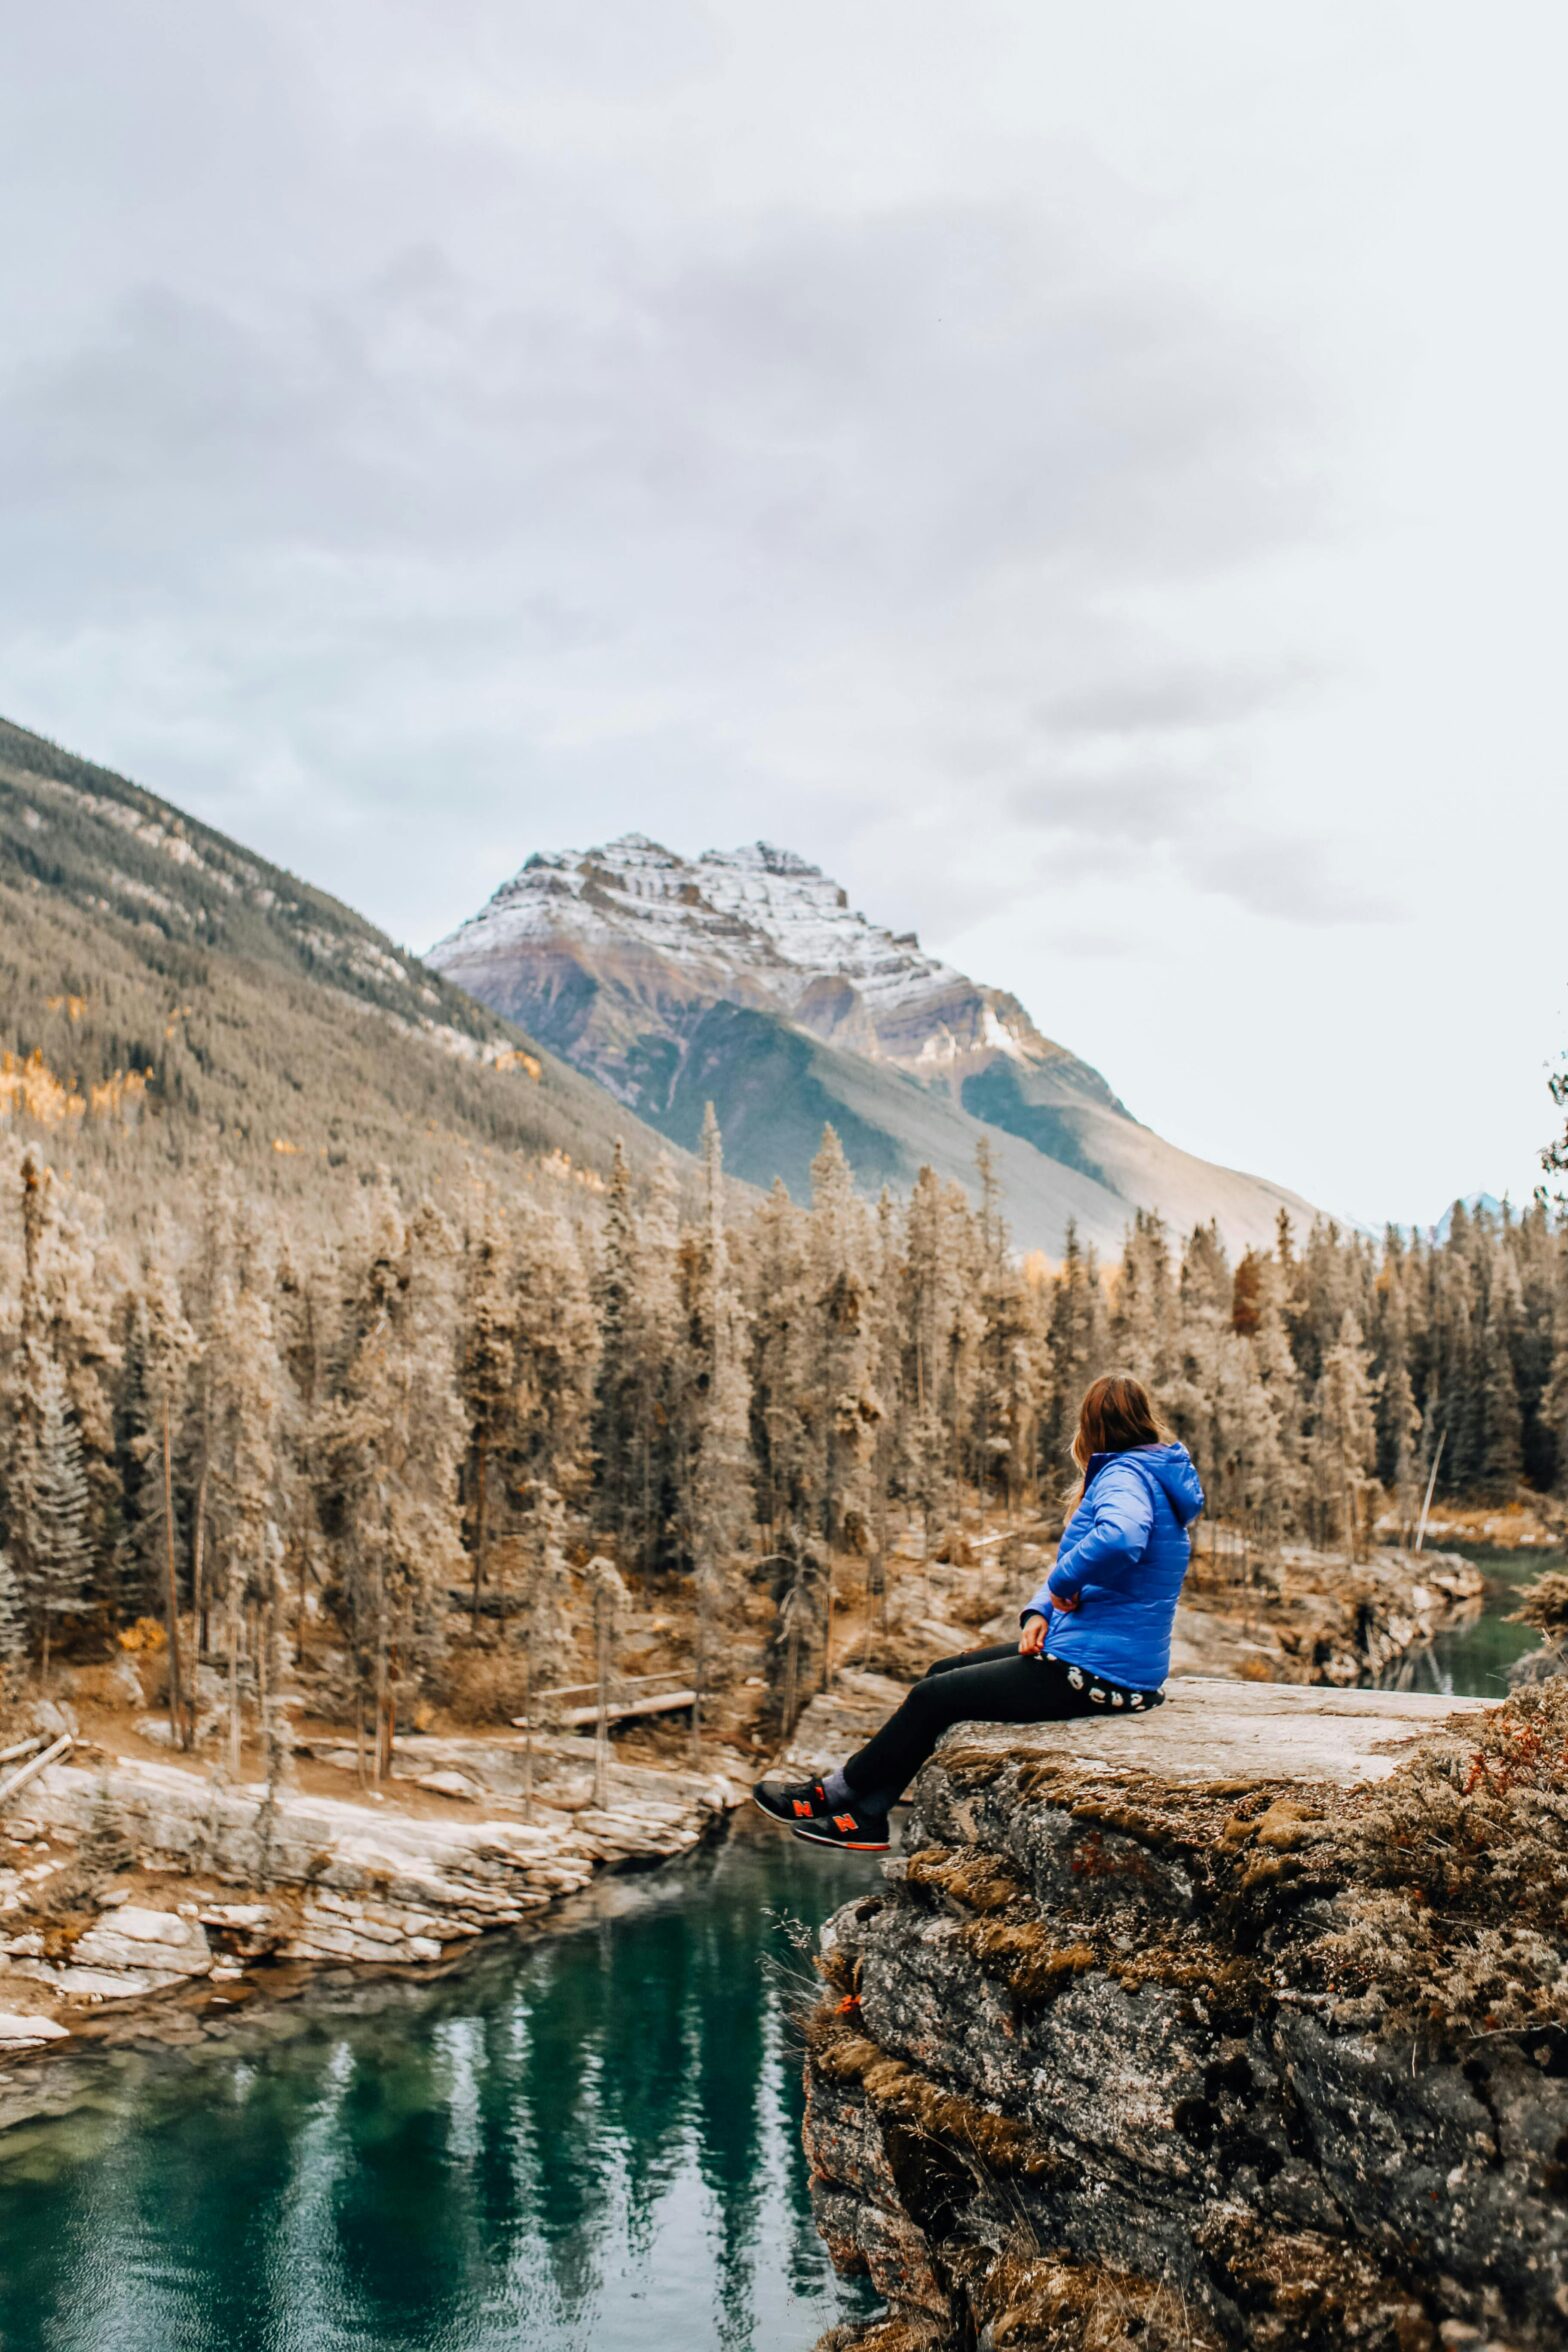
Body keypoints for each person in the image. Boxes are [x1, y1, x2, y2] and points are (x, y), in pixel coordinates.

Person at [753, 1372, 1204, 1852]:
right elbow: (1105, 1568)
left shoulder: (1124, 1475)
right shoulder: (1150, 1473)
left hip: (1100, 1674)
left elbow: (1119, 1539)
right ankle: (868, 1813)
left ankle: (835, 1794)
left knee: (933, 1697)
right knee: (941, 1674)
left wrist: (1060, 1585)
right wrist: (1040, 1612)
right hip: (1101, 1657)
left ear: (1090, 1425)